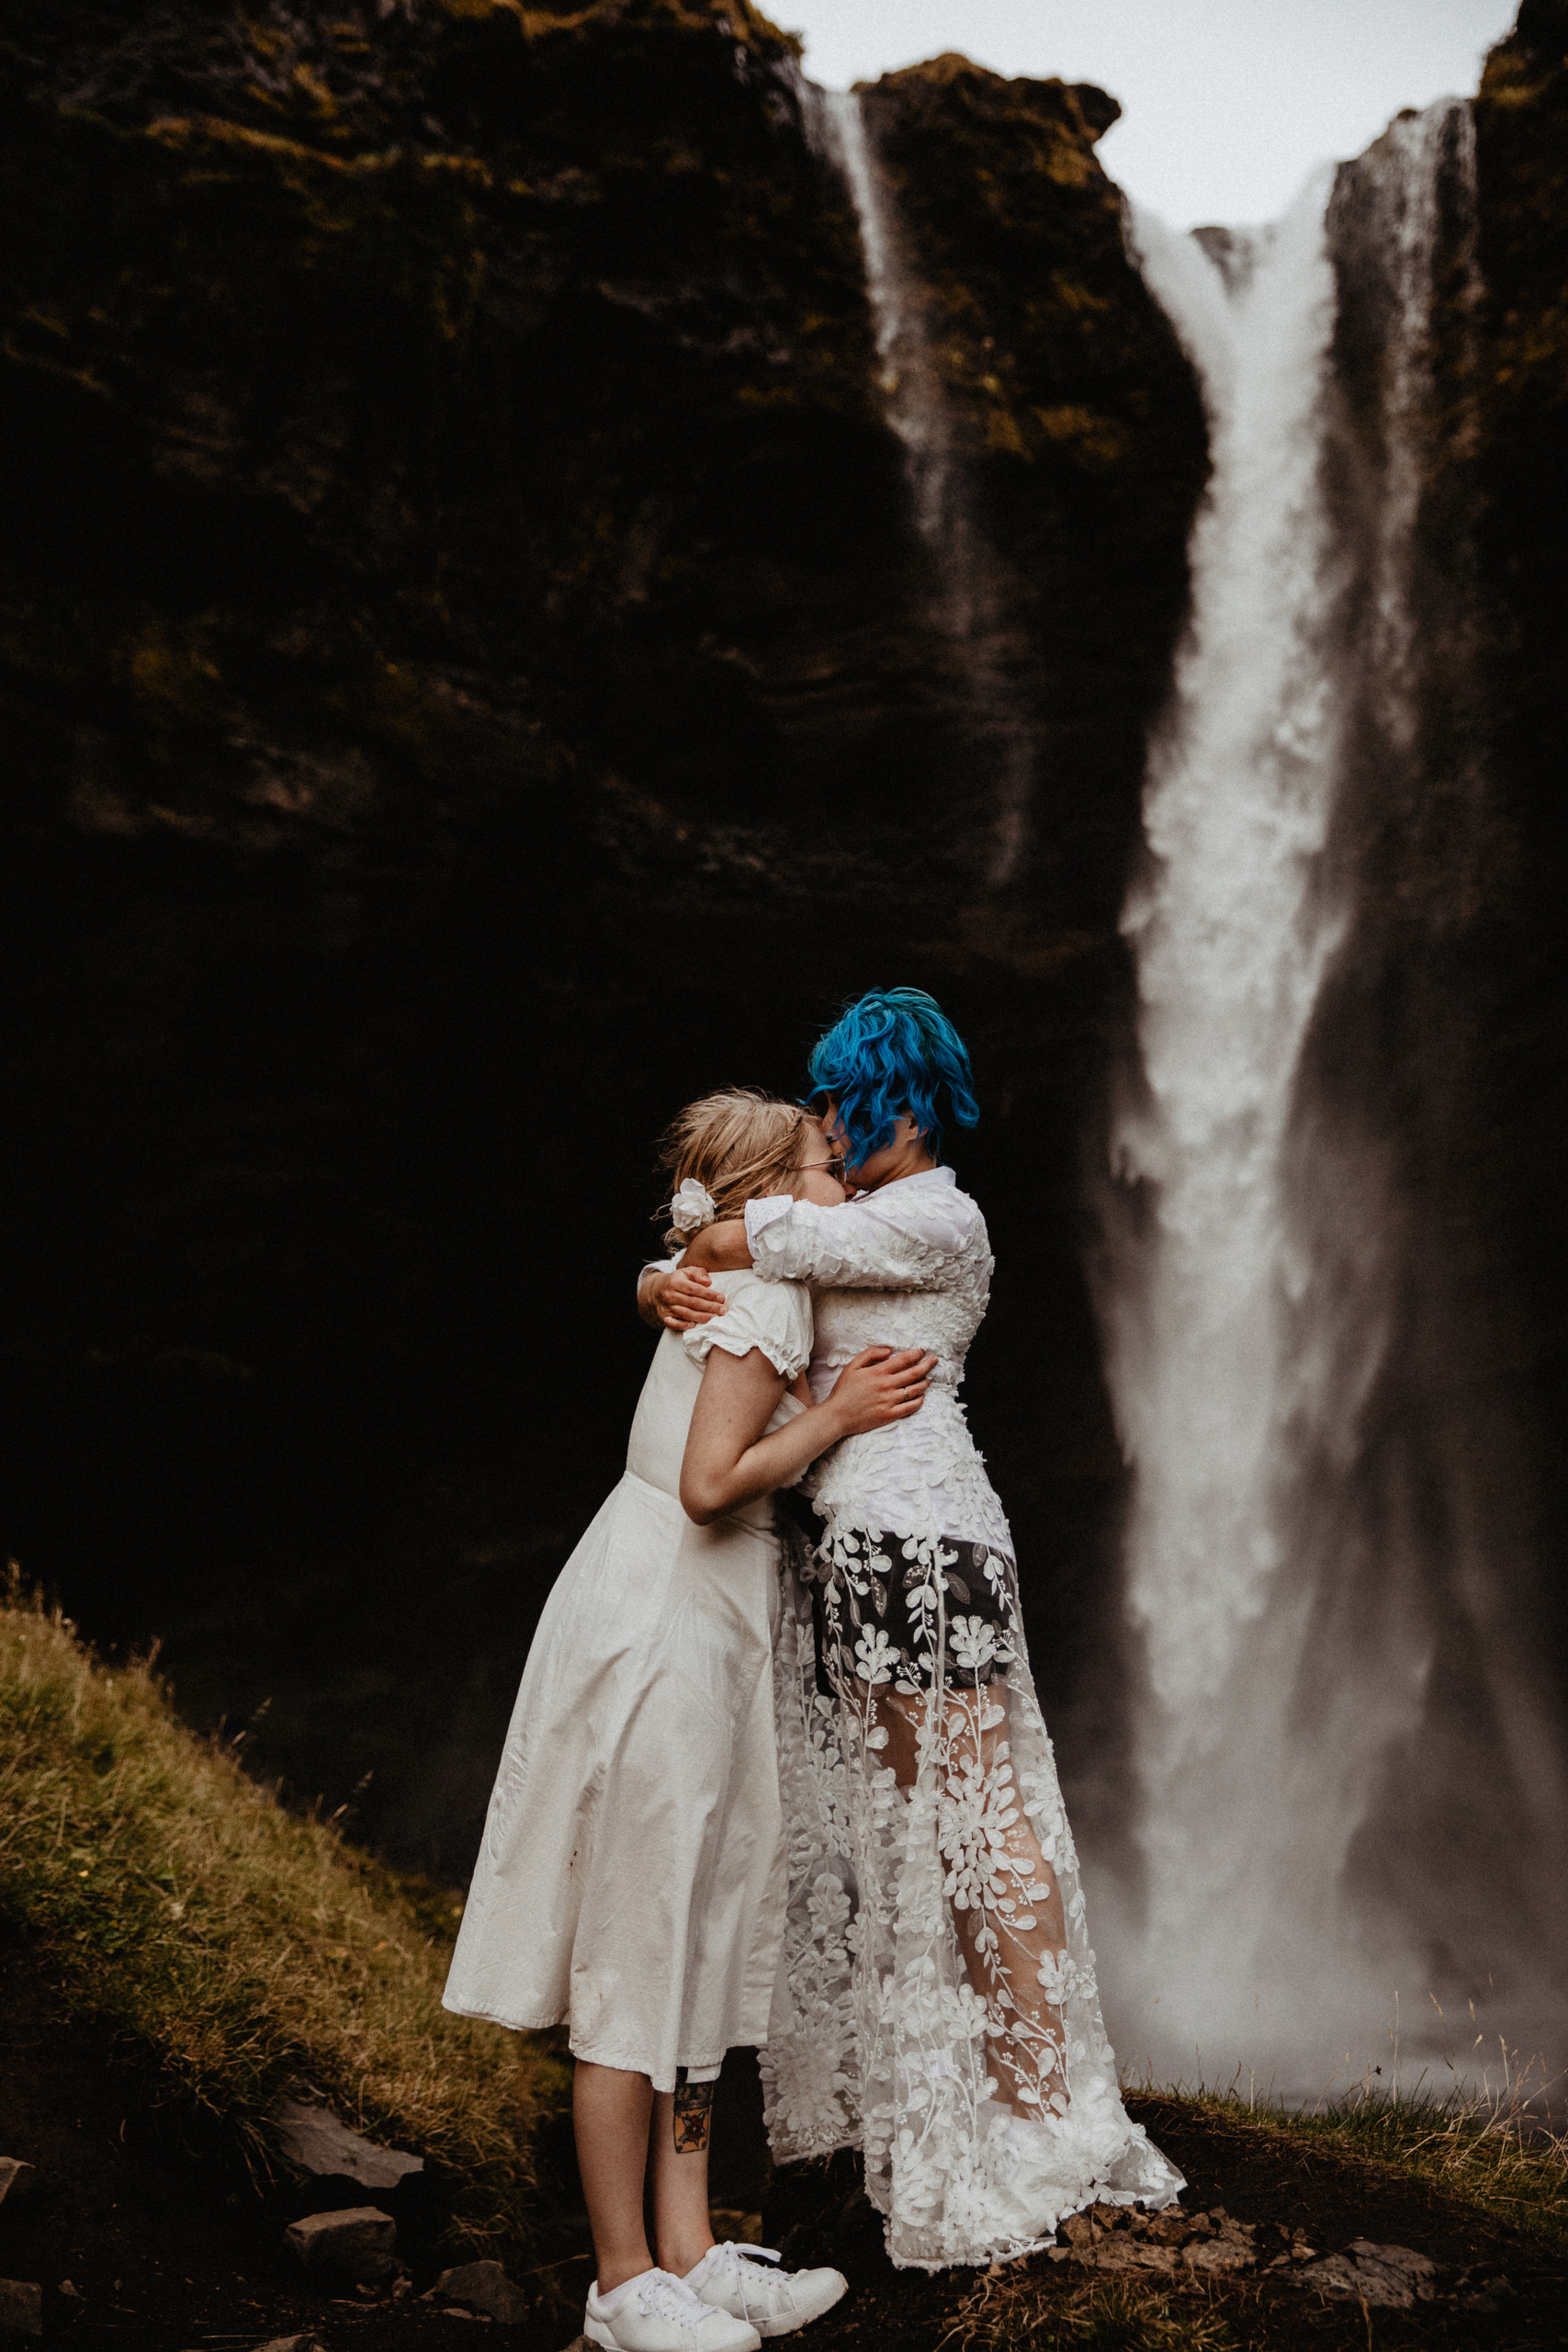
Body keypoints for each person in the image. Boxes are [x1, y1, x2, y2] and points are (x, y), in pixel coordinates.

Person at [641, 990, 1183, 2270]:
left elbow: (742, 1231)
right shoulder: (863, 1226)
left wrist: (684, 1253)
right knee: (936, 1826)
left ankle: (1042, 2106)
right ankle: (1002, 2091)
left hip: (919, 1544)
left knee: (982, 1821)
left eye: (843, 1103)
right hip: (884, 1546)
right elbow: (730, 1254)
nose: (828, 1125)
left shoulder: (938, 1217)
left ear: (901, 1106)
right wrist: (661, 1276)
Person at [445, 1089, 937, 2351]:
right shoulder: (763, 1290)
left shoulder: (755, 1273)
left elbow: (692, 1279)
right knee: (640, 1936)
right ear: (766, 1197)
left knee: (708, 1931)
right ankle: (622, 2284)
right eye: (823, 1163)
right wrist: (835, 1419)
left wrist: (661, 1276)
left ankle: (691, 2249)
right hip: (669, 1606)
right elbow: (710, 1485)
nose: (846, 1178)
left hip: (711, 1616)